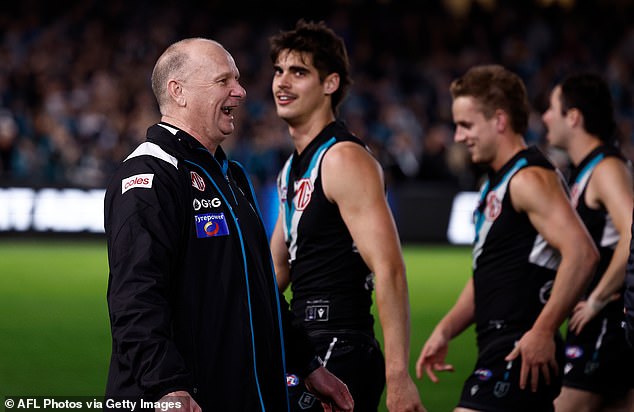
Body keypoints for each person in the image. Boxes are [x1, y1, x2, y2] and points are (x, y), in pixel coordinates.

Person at [103, 37, 354, 412]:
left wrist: (308, 365)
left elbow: (260, 289)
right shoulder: (149, 175)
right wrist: (166, 386)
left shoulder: (230, 175)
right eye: (224, 81)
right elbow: (135, 299)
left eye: (236, 80)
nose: (240, 91)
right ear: (179, 92)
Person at [415, 64, 599, 412]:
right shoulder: (496, 184)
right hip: (503, 345)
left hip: (518, 348)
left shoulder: (528, 178)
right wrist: (445, 329)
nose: (457, 136)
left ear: (499, 121)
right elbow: (488, 273)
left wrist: (543, 331)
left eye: (466, 125)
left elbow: (582, 253)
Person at [268, 20, 425, 412]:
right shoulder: (291, 169)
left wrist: (398, 376)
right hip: (304, 344)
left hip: (341, 342)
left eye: (299, 72)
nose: (282, 82)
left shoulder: (344, 158)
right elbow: (275, 269)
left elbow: (388, 268)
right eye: (279, 71)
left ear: (330, 83)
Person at [541, 72, 634, 412]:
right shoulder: (587, 169)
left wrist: (597, 298)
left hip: (606, 322)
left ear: (574, 117)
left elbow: (633, 233)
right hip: (602, 324)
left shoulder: (607, 167)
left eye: (552, 108)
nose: (545, 117)